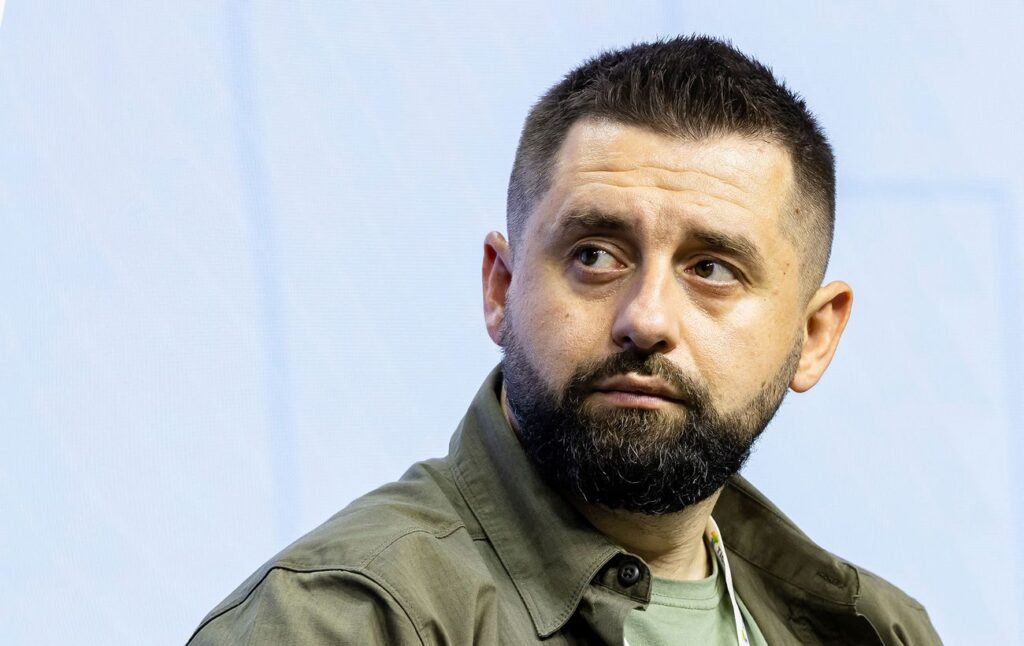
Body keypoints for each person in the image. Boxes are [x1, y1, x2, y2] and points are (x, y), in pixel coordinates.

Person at [189, 36, 942, 645]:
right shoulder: (345, 623)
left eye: (711, 269)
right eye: (595, 255)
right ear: (500, 289)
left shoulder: (880, 631)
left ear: (814, 335)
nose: (646, 318)